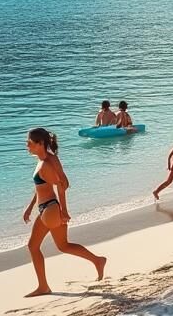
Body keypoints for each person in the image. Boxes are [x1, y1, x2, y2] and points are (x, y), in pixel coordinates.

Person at [23, 127, 106, 297]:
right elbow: (41, 186)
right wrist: (30, 207)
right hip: (47, 207)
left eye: (29, 142)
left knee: (33, 246)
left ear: (40, 143)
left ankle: (43, 286)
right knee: (63, 245)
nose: (27, 145)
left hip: (50, 209)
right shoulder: (46, 159)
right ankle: (97, 260)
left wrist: (64, 211)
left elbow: (62, 185)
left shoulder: (46, 163)